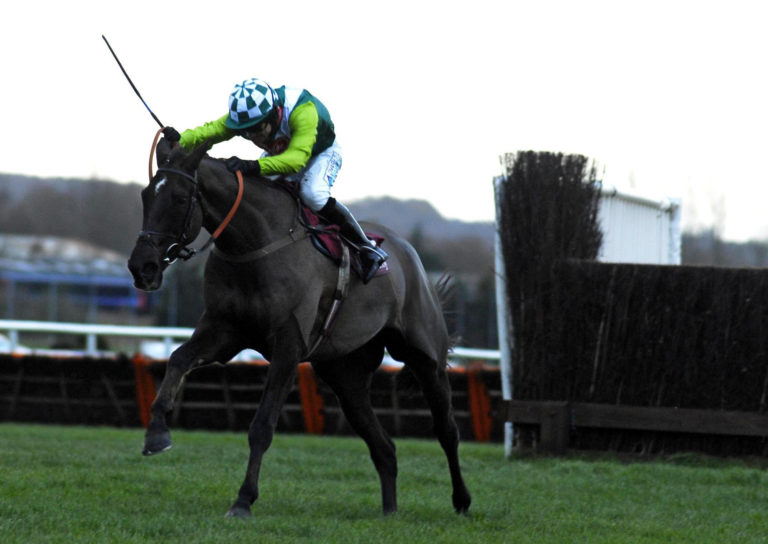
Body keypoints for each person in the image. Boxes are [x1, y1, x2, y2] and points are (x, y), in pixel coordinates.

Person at [162, 77, 387, 284]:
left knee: (313, 194)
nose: (253, 137)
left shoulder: (303, 112)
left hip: (320, 154)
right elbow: (211, 131)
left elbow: (297, 160)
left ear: (274, 114)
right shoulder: (249, 116)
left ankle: (366, 248)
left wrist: (254, 165)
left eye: (256, 130)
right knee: (255, 192)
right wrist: (181, 139)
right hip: (284, 153)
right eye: (245, 132)